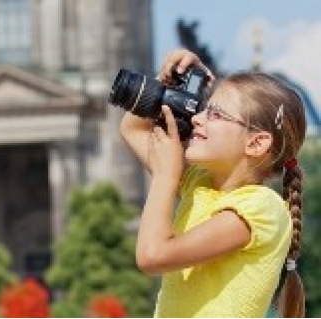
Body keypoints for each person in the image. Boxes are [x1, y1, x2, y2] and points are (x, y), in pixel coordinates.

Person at [120, 49, 306, 317]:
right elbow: (134, 129)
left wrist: (164, 178)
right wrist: (166, 82)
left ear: (256, 143)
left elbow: (153, 255)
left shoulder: (261, 209)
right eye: (205, 110)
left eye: (216, 114)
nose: (196, 118)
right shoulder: (200, 183)